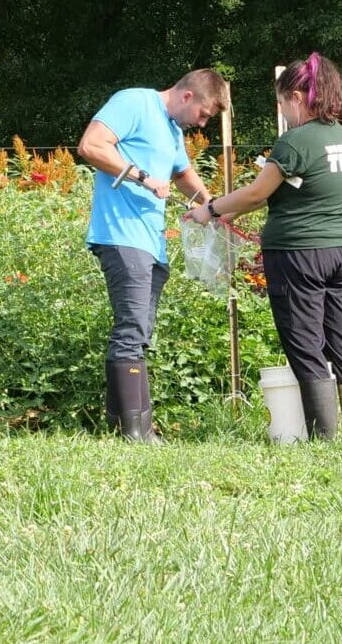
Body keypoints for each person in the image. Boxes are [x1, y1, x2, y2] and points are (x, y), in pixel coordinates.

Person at [203, 53, 342, 439]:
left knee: (305, 343)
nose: (283, 112)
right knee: (340, 339)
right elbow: (308, 192)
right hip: (341, 251)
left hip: (298, 255)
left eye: (281, 103)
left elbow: (257, 194)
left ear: (296, 96)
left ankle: (322, 437)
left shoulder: (295, 142)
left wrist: (210, 210)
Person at [76, 69, 229, 441]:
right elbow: (91, 146)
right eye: (205, 115)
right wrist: (141, 176)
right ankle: (133, 432)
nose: (203, 124)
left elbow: (182, 174)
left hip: (152, 242)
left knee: (140, 332)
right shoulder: (134, 102)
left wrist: (214, 208)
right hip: (121, 235)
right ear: (188, 97)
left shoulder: (173, 130)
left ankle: (135, 428)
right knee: (130, 330)